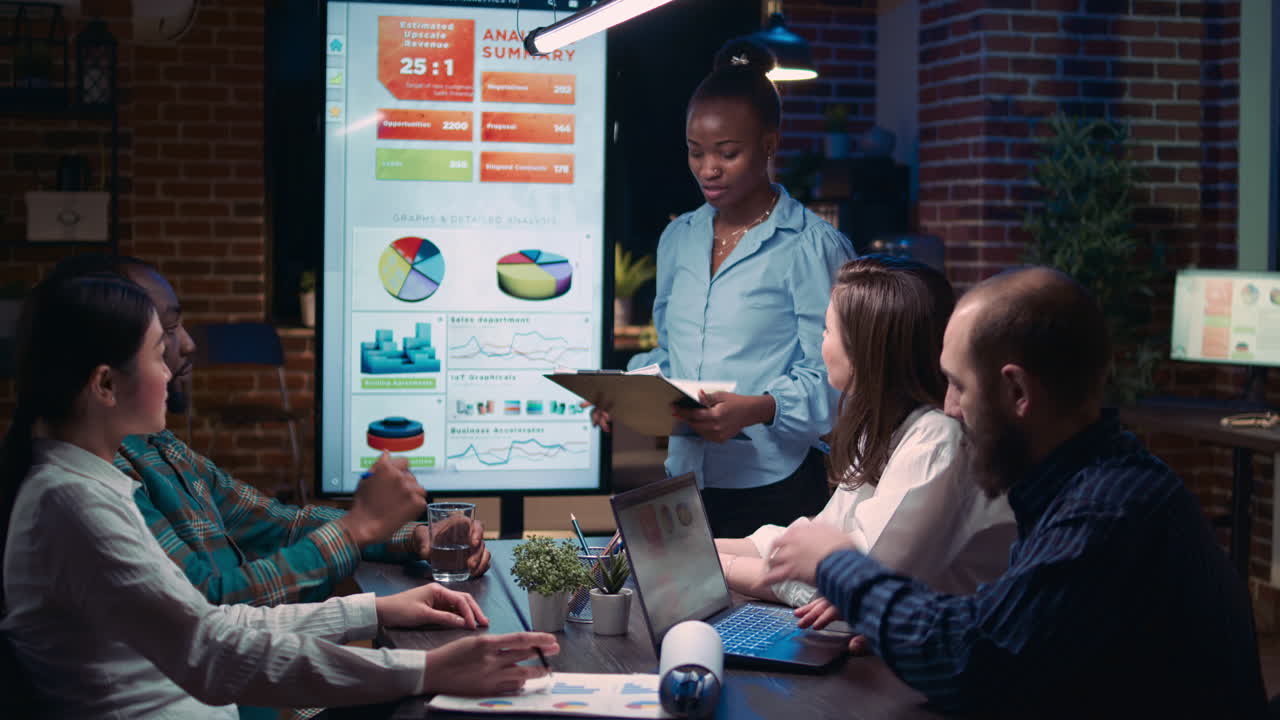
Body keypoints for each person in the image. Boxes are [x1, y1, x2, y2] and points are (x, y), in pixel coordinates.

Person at [0, 271, 557, 718]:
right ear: (104, 385)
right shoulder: (72, 504)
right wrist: (424, 670)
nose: (174, 365)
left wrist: (372, 609)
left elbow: (211, 623)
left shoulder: (96, 482)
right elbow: (211, 653)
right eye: (157, 349)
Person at [763, 267, 1267, 718]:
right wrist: (898, 634)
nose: (950, 408)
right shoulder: (1087, 481)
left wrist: (837, 563)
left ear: (1018, 393)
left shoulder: (1107, 512)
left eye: (959, 385)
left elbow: (974, 661)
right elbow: (1003, 626)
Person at [46, 254, 488, 608]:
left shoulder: (158, 447)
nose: (184, 349)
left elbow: (277, 523)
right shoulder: (96, 490)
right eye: (163, 339)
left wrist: (407, 537)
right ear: (105, 379)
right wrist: (357, 528)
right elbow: (206, 613)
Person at [596, 40, 856, 537]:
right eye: (695, 152)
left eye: (727, 153)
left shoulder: (811, 246)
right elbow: (673, 353)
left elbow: (840, 382)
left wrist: (759, 408)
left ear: (769, 145)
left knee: (763, 617)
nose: (708, 169)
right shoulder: (679, 237)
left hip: (777, 488)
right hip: (685, 482)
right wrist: (625, 392)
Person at [715, 256, 1014, 624]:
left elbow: (841, 582)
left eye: (826, 331)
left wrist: (712, 566)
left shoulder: (937, 439)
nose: (819, 343)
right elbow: (815, 542)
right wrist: (693, 550)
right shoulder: (884, 426)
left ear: (865, 352)